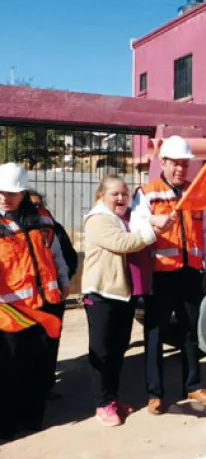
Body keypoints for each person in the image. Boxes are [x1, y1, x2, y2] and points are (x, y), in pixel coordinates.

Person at [130, 135, 206, 414]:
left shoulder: (196, 195)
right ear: (163, 162)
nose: (181, 169)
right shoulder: (148, 192)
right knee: (155, 334)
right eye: (175, 164)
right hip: (160, 275)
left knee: (190, 332)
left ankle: (193, 385)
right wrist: (152, 220)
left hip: (190, 273)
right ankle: (155, 393)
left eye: (184, 164)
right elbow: (133, 223)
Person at [81, 175, 164, 427]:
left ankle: (113, 398)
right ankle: (102, 403)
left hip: (122, 294)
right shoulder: (97, 220)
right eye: (115, 194)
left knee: (118, 350)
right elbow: (123, 243)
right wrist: (153, 231)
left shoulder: (123, 218)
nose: (121, 198)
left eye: (124, 194)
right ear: (101, 197)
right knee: (102, 352)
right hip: (101, 294)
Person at [0, 163, 70, 442]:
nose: (5, 197)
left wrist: (64, 281)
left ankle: (32, 418)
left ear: (24, 193)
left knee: (38, 368)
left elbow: (56, 254)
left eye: (12, 192)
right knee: (8, 370)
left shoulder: (42, 219)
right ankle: (6, 425)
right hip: (9, 311)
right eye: (1, 191)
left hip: (44, 305)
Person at [28, 189, 79, 399]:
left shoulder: (52, 227)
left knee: (50, 345)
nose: (36, 209)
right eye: (31, 205)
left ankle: (46, 386)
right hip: (27, 301)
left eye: (39, 204)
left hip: (53, 297)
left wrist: (63, 280)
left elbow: (67, 256)